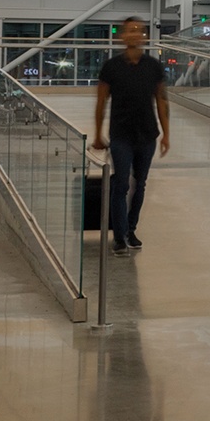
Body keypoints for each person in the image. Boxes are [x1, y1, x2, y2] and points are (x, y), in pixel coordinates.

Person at [92, 19, 169, 256]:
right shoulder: (111, 67)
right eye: (130, 30)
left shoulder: (154, 67)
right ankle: (119, 236)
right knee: (121, 184)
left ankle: (131, 229)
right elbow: (101, 102)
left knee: (140, 184)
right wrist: (97, 134)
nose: (135, 34)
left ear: (144, 36)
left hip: (146, 135)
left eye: (139, 31)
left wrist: (166, 134)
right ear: (122, 36)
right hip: (121, 136)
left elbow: (162, 101)